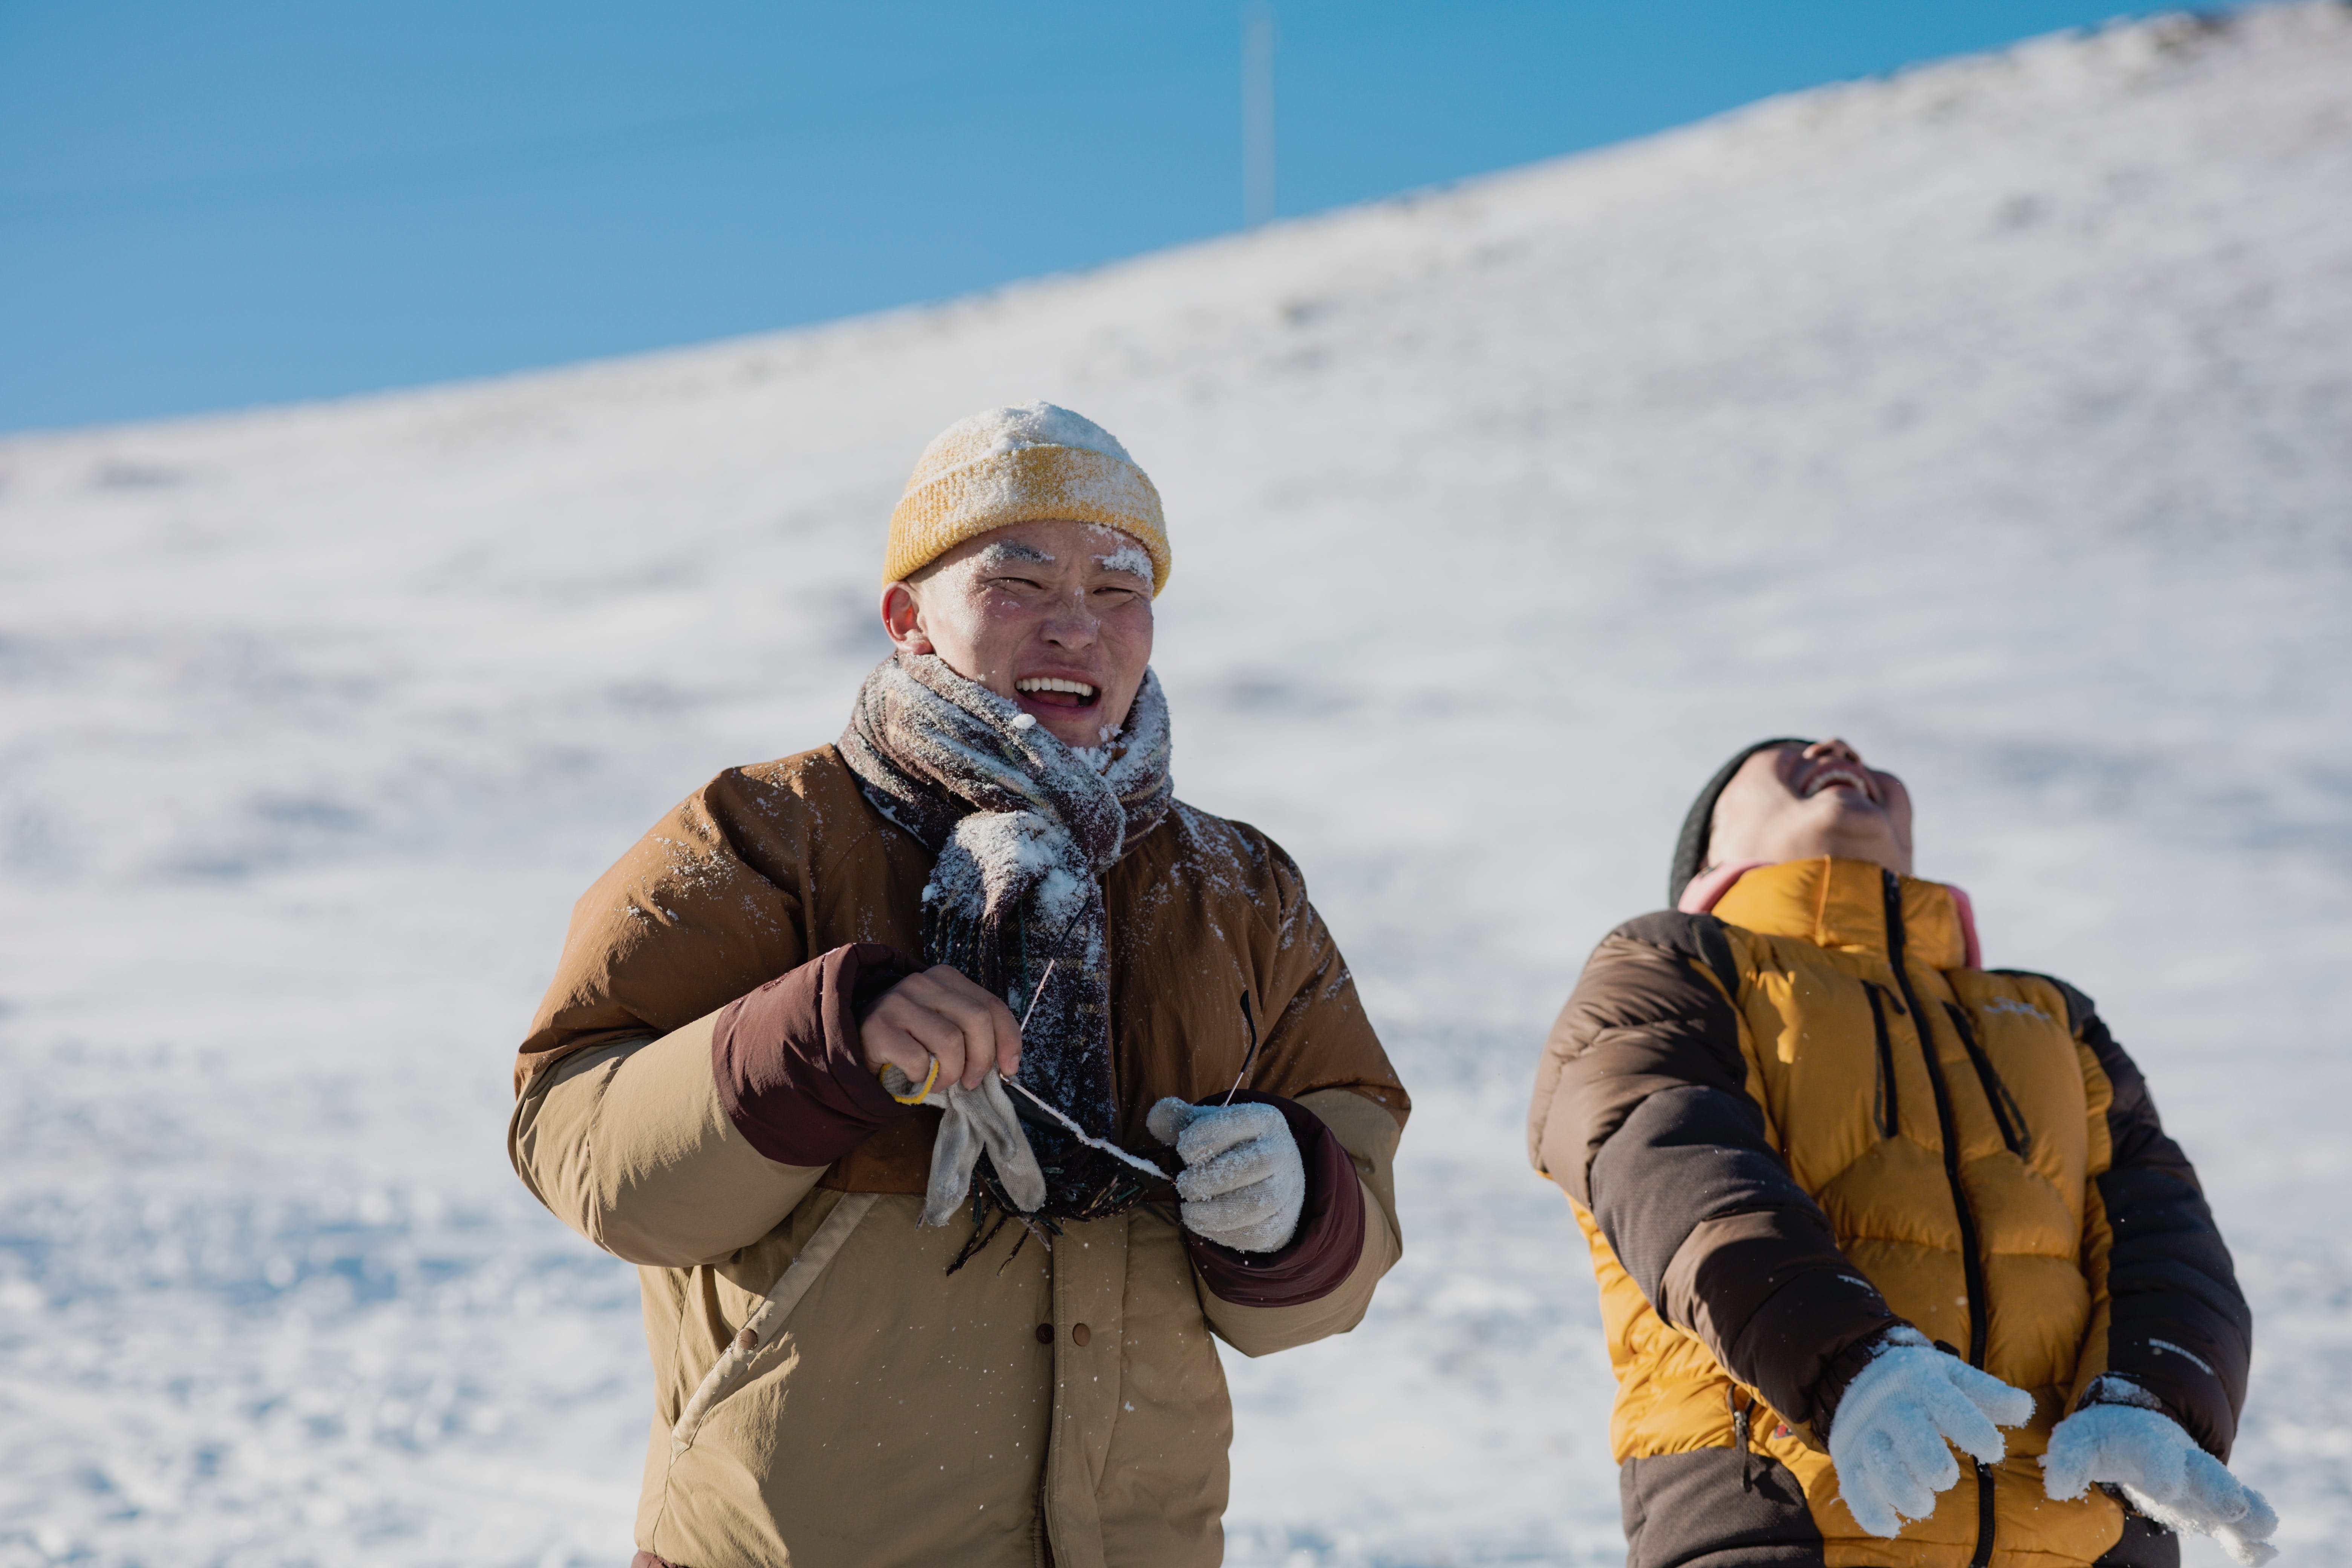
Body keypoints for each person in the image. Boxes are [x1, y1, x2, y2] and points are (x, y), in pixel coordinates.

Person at [509, 403, 1409, 1568]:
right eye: (1019, 582)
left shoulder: (1238, 889)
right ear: (909, 619)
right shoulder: (763, 838)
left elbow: (1343, 1228)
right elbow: (581, 1144)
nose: (1075, 628)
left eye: (1117, 588)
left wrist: (1299, 1211)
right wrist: (817, 1045)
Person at [1527, 738, 2275, 1568]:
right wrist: (1846, 1359)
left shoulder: (2055, 1019)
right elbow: (1666, 1153)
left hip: (2079, 1543)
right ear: (1710, 850)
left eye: (1865, 758)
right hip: (1786, 1526)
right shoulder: (1675, 963)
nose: (1833, 749)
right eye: (1778, 756)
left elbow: (2164, 1233)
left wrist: (2157, 1400)